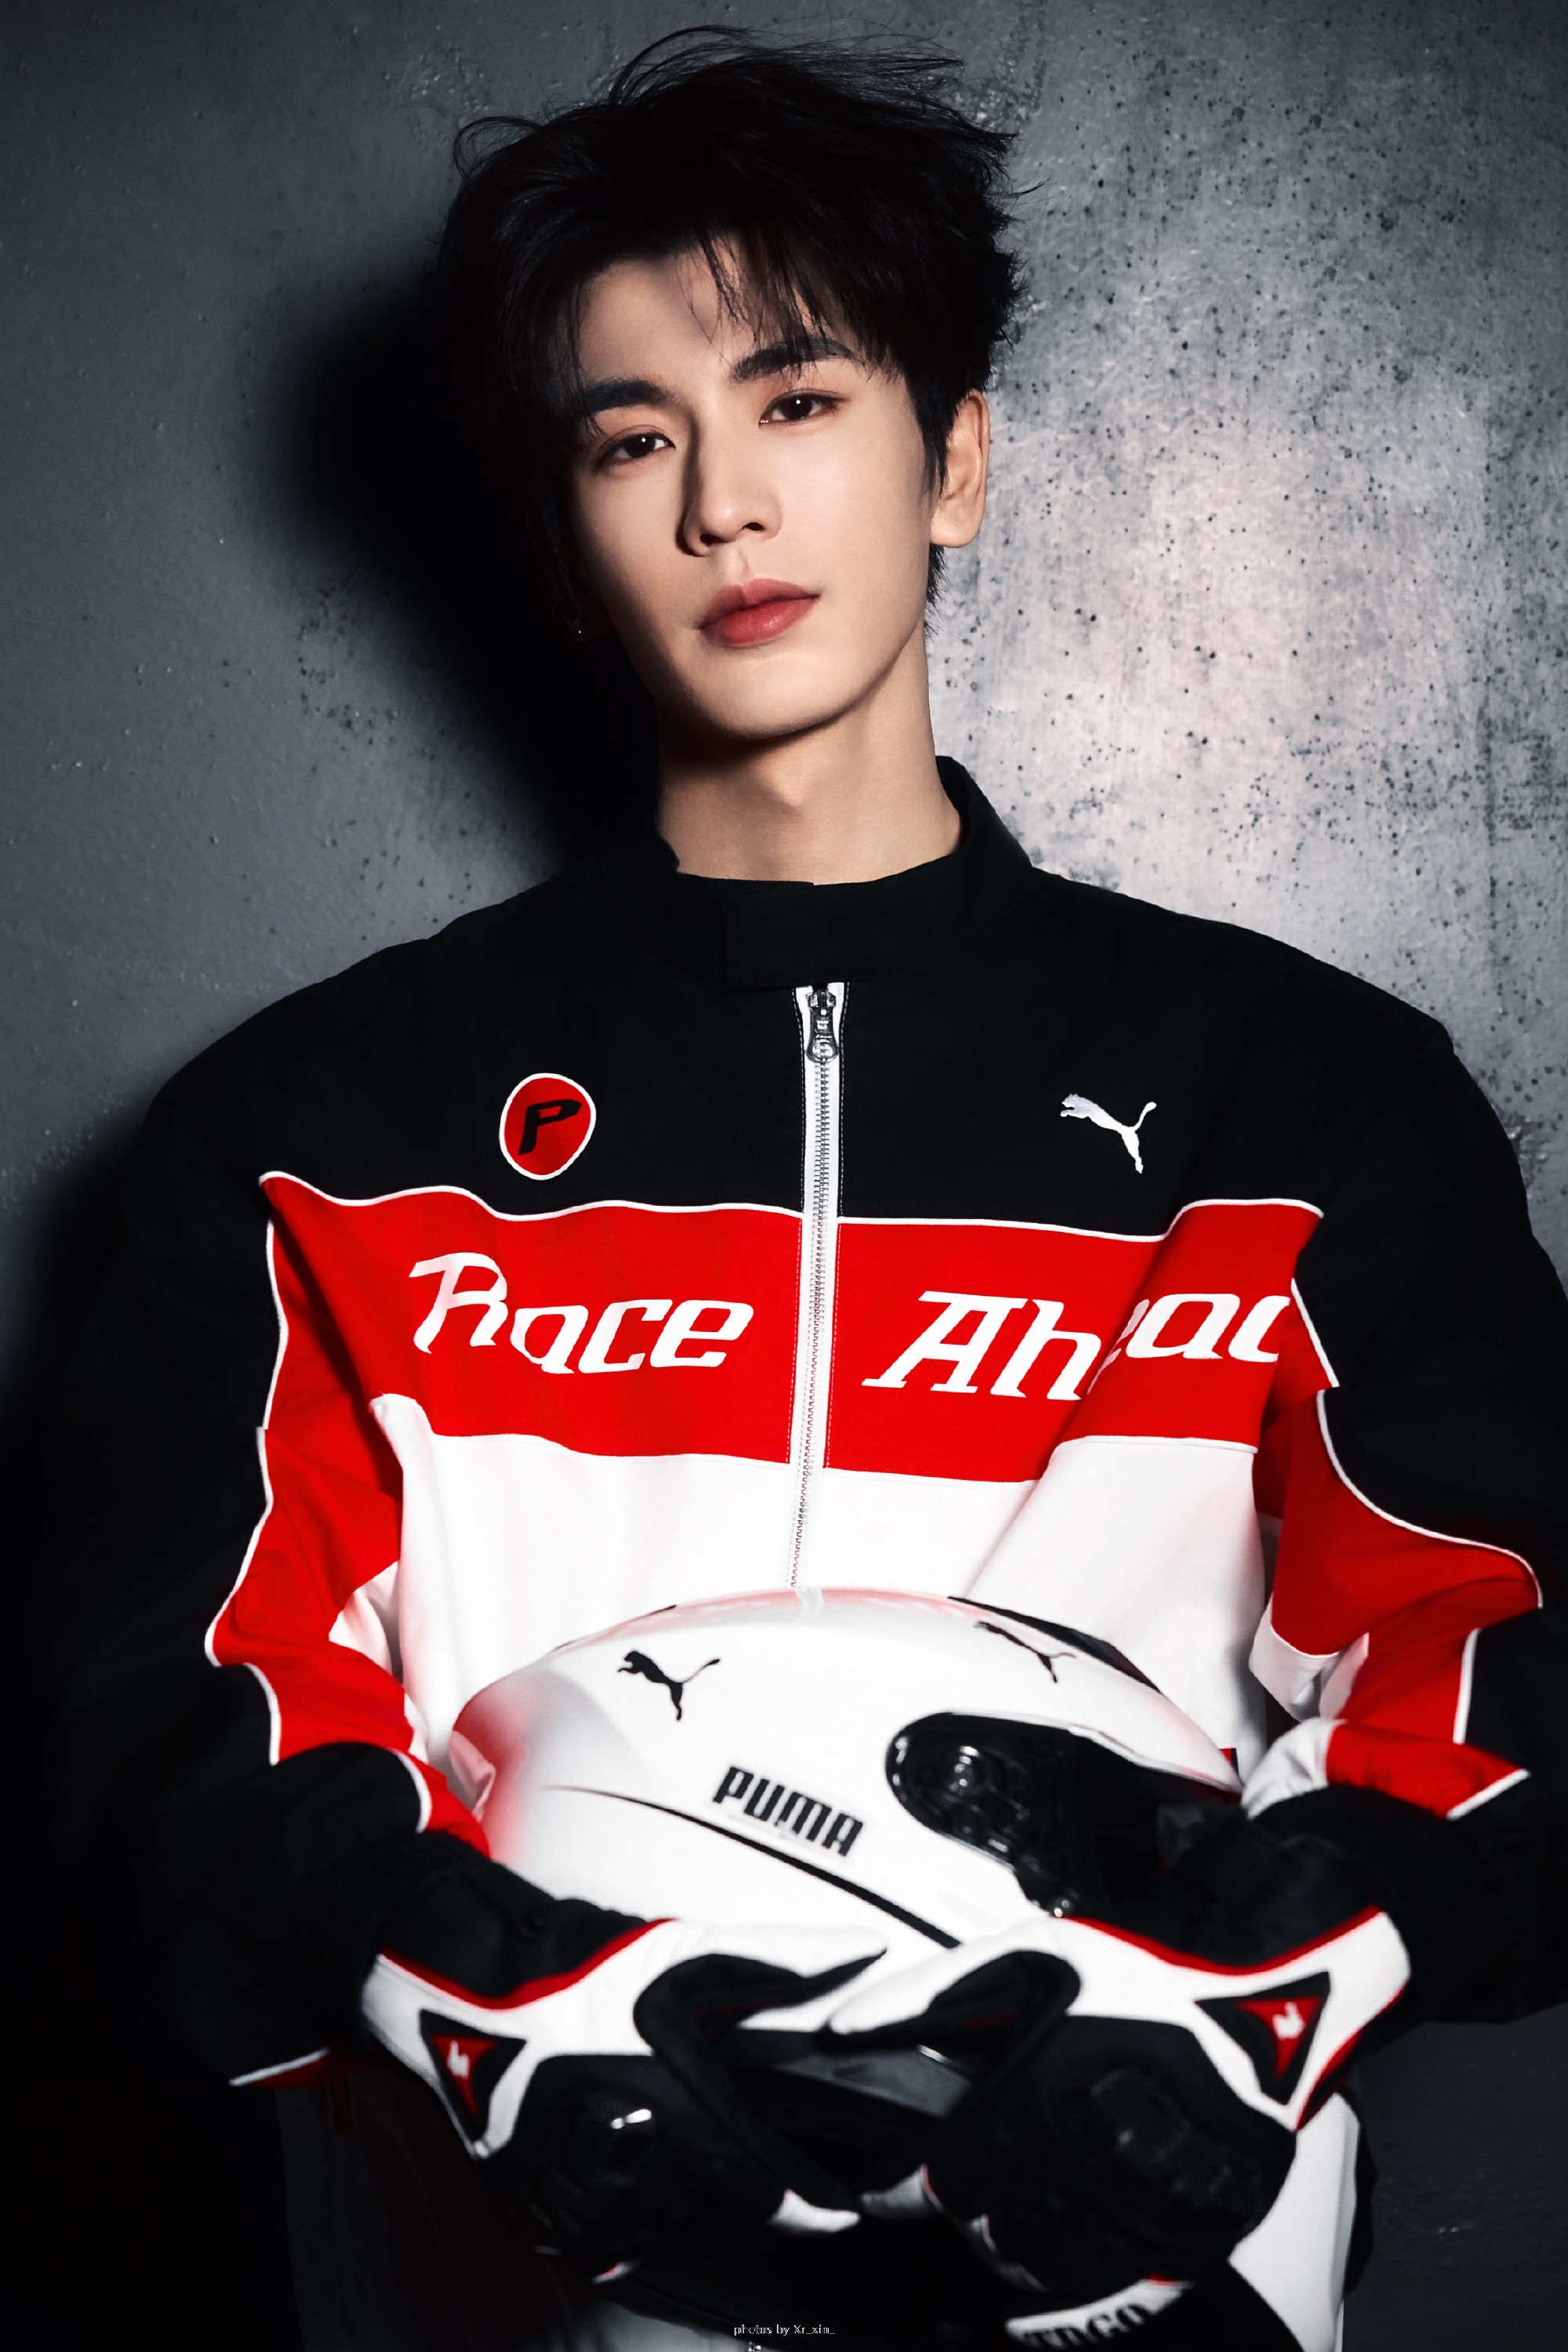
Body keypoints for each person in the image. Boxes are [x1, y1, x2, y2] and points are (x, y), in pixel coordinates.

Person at [54, 31, 1567, 2352]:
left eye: (798, 398)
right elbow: (174, 1731)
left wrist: (1248, 1990)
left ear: (951, 460)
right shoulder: (312, 1137)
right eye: (630, 438)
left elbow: (1503, 1661)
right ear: (565, 550)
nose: (724, 508)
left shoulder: (1304, 1105)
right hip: (540, 2284)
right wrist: (486, 2001)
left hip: (1138, 2267)